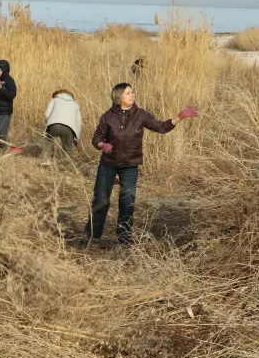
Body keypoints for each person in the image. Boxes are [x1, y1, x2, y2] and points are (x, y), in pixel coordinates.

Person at [85, 83, 199, 245]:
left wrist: (179, 117)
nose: (132, 95)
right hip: (108, 164)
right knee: (101, 200)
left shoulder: (140, 115)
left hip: (130, 165)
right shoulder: (107, 116)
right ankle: (92, 236)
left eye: (132, 92)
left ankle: (124, 238)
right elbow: (96, 139)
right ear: (118, 98)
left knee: (127, 200)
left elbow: (160, 127)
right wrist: (102, 145)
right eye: (128, 93)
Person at [42, 89, 83, 165]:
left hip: (54, 125)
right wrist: (76, 137)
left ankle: (45, 161)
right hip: (69, 128)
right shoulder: (75, 104)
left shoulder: (55, 100)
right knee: (68, 149)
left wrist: (49, 123)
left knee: (48, 142)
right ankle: (68, 165)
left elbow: (47, 114)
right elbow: (78, 122)